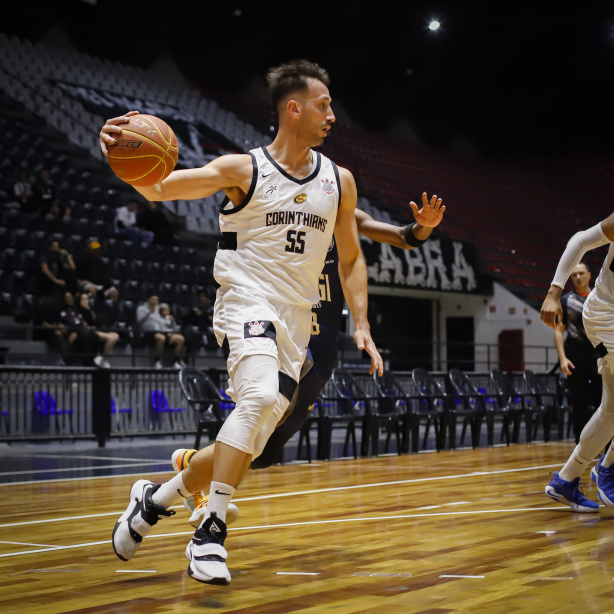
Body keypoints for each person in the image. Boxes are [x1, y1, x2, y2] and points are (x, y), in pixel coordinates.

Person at [100, 59, 383, 585]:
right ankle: (209, 533)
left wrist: (361, 323)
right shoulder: (242, 169)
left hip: (298, 320)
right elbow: (161, 188)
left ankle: (153, 500)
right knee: (253, 402)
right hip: (246, 302)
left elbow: (350, 258)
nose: (332, 115)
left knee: (252, 436)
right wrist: (120, 157)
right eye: (324, 105)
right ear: (293, 108)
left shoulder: (339, 182)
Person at [173, 195, 445, 526]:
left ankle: (189, 462)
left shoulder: (336, 211)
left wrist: (423, 227)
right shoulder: (276, 209)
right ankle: (200, 498)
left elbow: (401, 236)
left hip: (322, 346)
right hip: (283, 334)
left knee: (263, 454)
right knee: (256, 427)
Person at [541, 211, 614, 513]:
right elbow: (582, 240)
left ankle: (566, 479)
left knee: (611, 411)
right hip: (605, 312)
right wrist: (553, 291)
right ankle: (608, 469)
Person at [553, 262, 602, 442]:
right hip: (575, 360)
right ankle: (579, 448)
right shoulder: (565, 301)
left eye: (581, 273)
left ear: (589, 275)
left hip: (600, 358)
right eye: (574, 275)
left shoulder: (600, 299)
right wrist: (562, 359)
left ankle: (605, 452)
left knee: (603, 407)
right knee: (579, 407)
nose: (578, 277)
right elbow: (558, 330)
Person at [135, 295, 186, 368]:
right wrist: (149, 312)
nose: (156, 302)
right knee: (161, 338)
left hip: (162, 331)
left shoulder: (159, 309)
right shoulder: (142, 309)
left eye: (157, 300)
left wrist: (171, 323)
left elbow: (163, 322)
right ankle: (157, 361)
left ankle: (176, 362)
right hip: (147, 333)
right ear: (148, 300)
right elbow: (139, 321)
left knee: (180, 339)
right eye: (154, 300)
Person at [38, 239, 78, 304]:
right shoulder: (45, 255)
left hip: (59, 279)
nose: (56, 248)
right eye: (54, 246)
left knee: (71, 274)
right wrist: (55, 280)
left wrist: (68, 256)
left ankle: (75, 296)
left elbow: (72, 268)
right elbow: (45, 270)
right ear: (50, 247)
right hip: (47, 281)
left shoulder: (58, 256)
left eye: (57, 246)